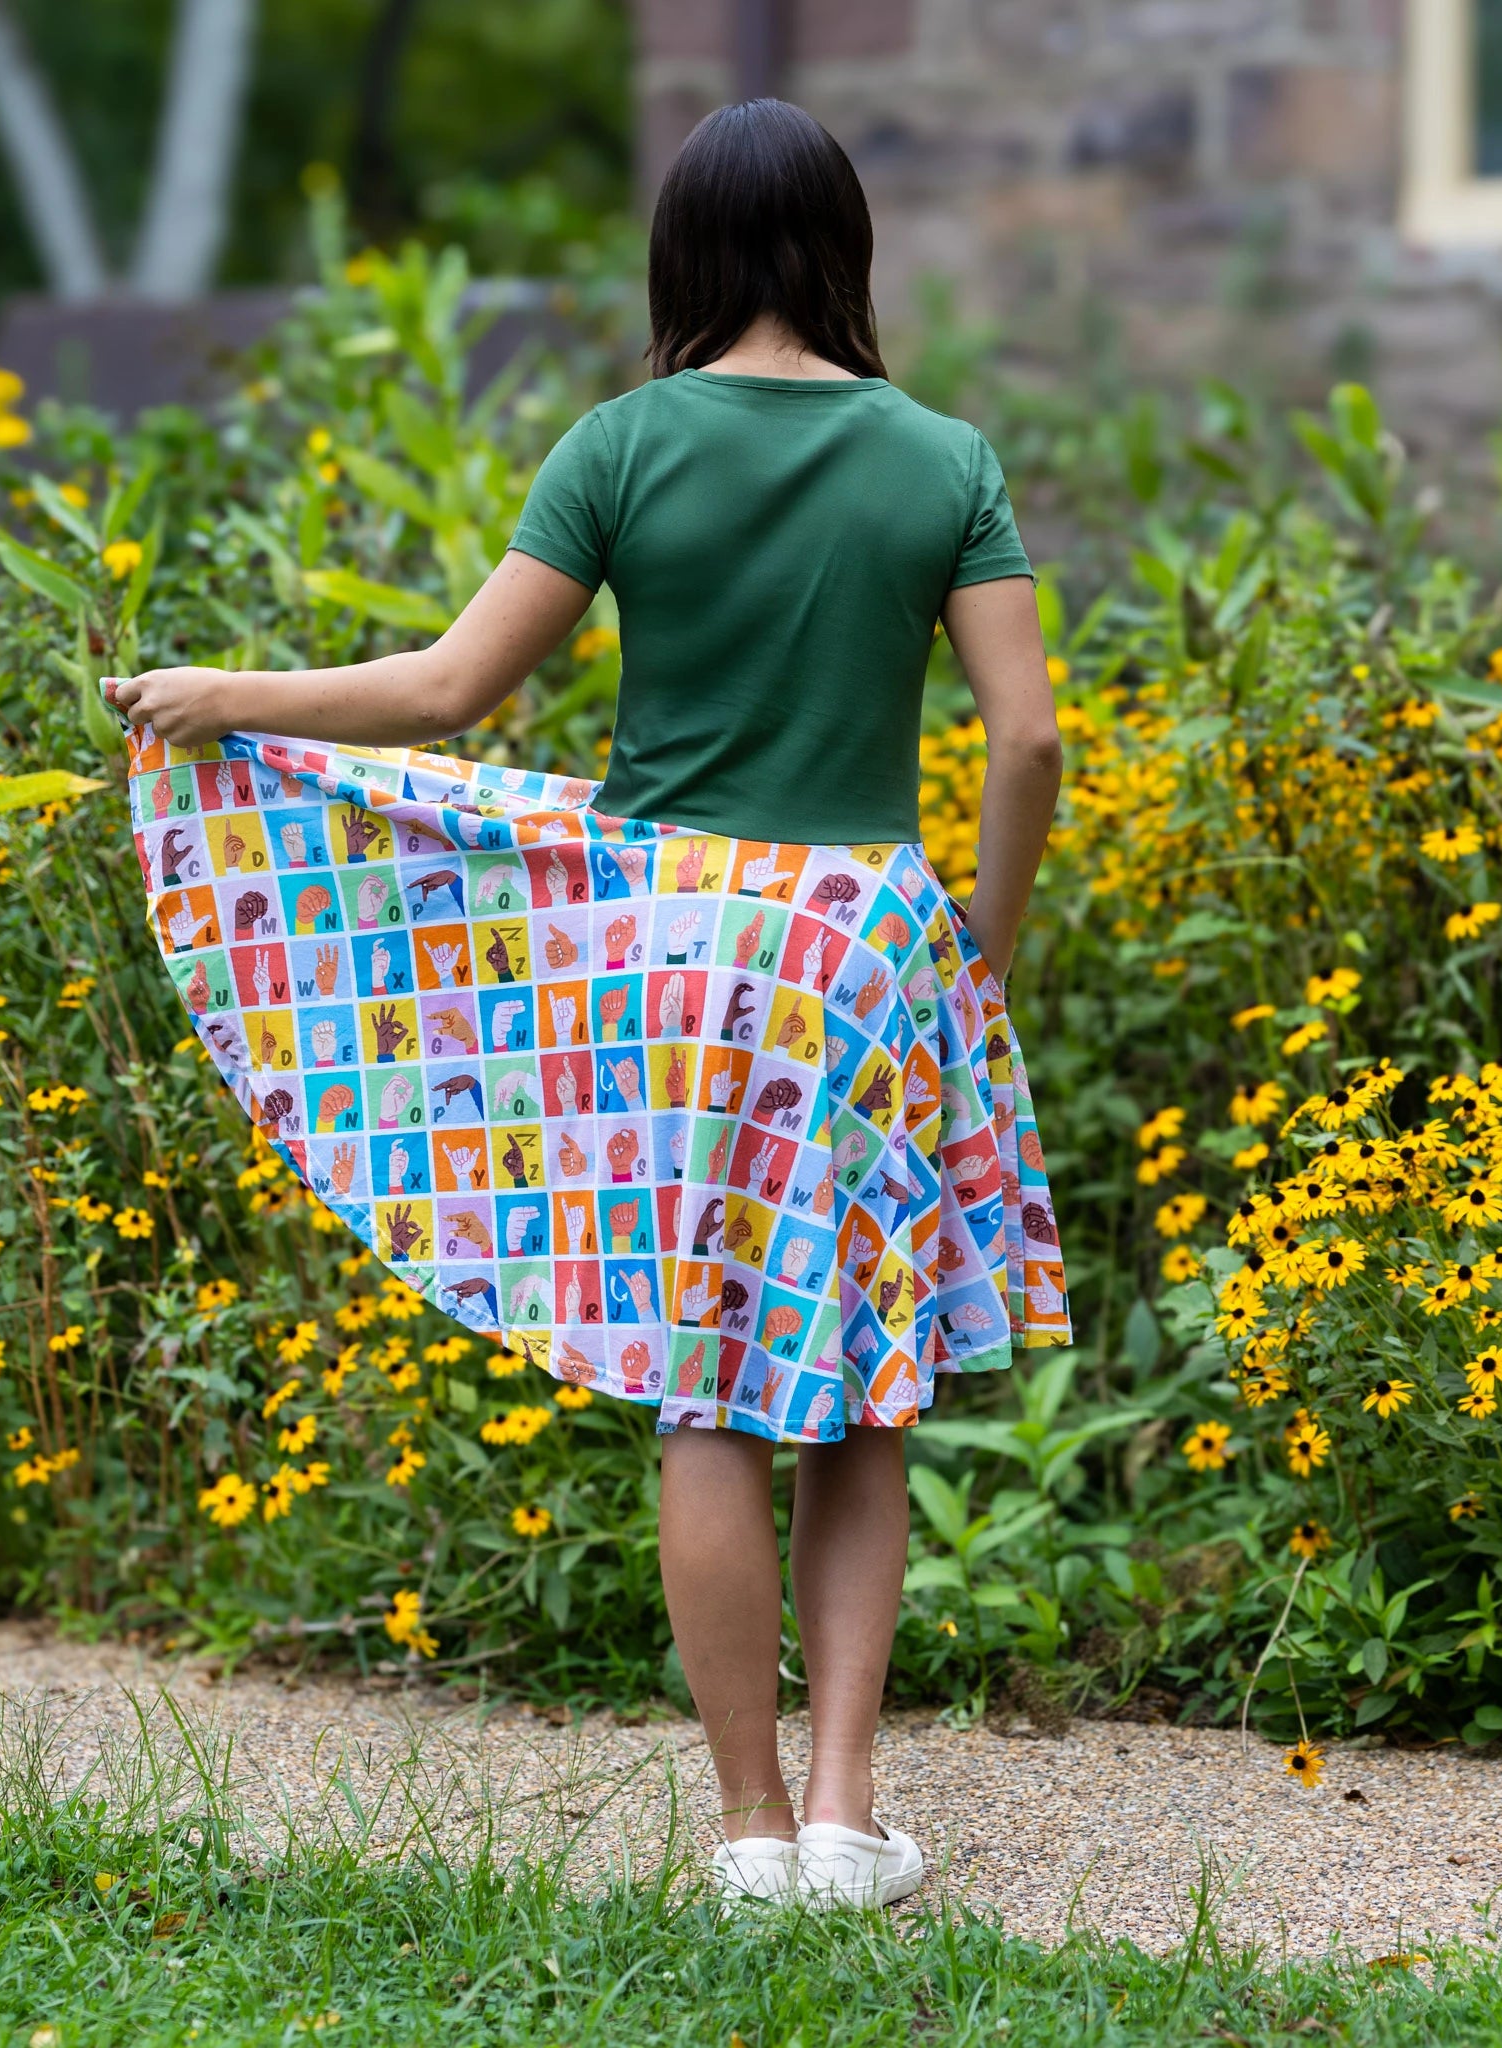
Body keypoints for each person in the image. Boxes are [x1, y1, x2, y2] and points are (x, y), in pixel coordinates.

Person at [106, 97, 1069, 1912]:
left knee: (702, 1391)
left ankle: (751, 1836)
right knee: (867, 1388)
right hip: (865, 941)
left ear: (681, 256)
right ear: (847, 249)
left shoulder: (621, 445)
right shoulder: (943, 458)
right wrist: (977, 948)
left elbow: (453, 690)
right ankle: (857, 1813)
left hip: (676, 954)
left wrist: (227, 691)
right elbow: (1026, 735)